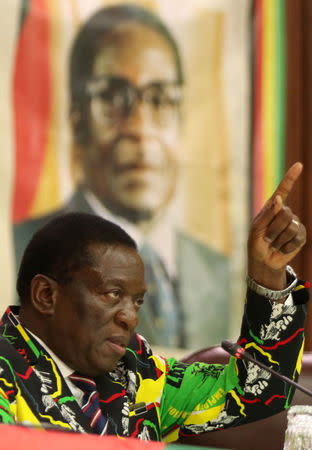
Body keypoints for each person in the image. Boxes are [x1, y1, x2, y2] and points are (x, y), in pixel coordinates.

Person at [1, 163, 309, 440]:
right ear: (46, 295)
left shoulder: (134, 370)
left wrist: (268, 275)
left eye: (136, 302)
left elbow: (255, 393)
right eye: (113, 294)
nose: (130, 318)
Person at [13, 4, 230, 348]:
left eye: (159, 99)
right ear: (77, 122)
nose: (140, 129)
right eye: (113, 98)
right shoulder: (20, 248)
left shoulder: (219, 272)